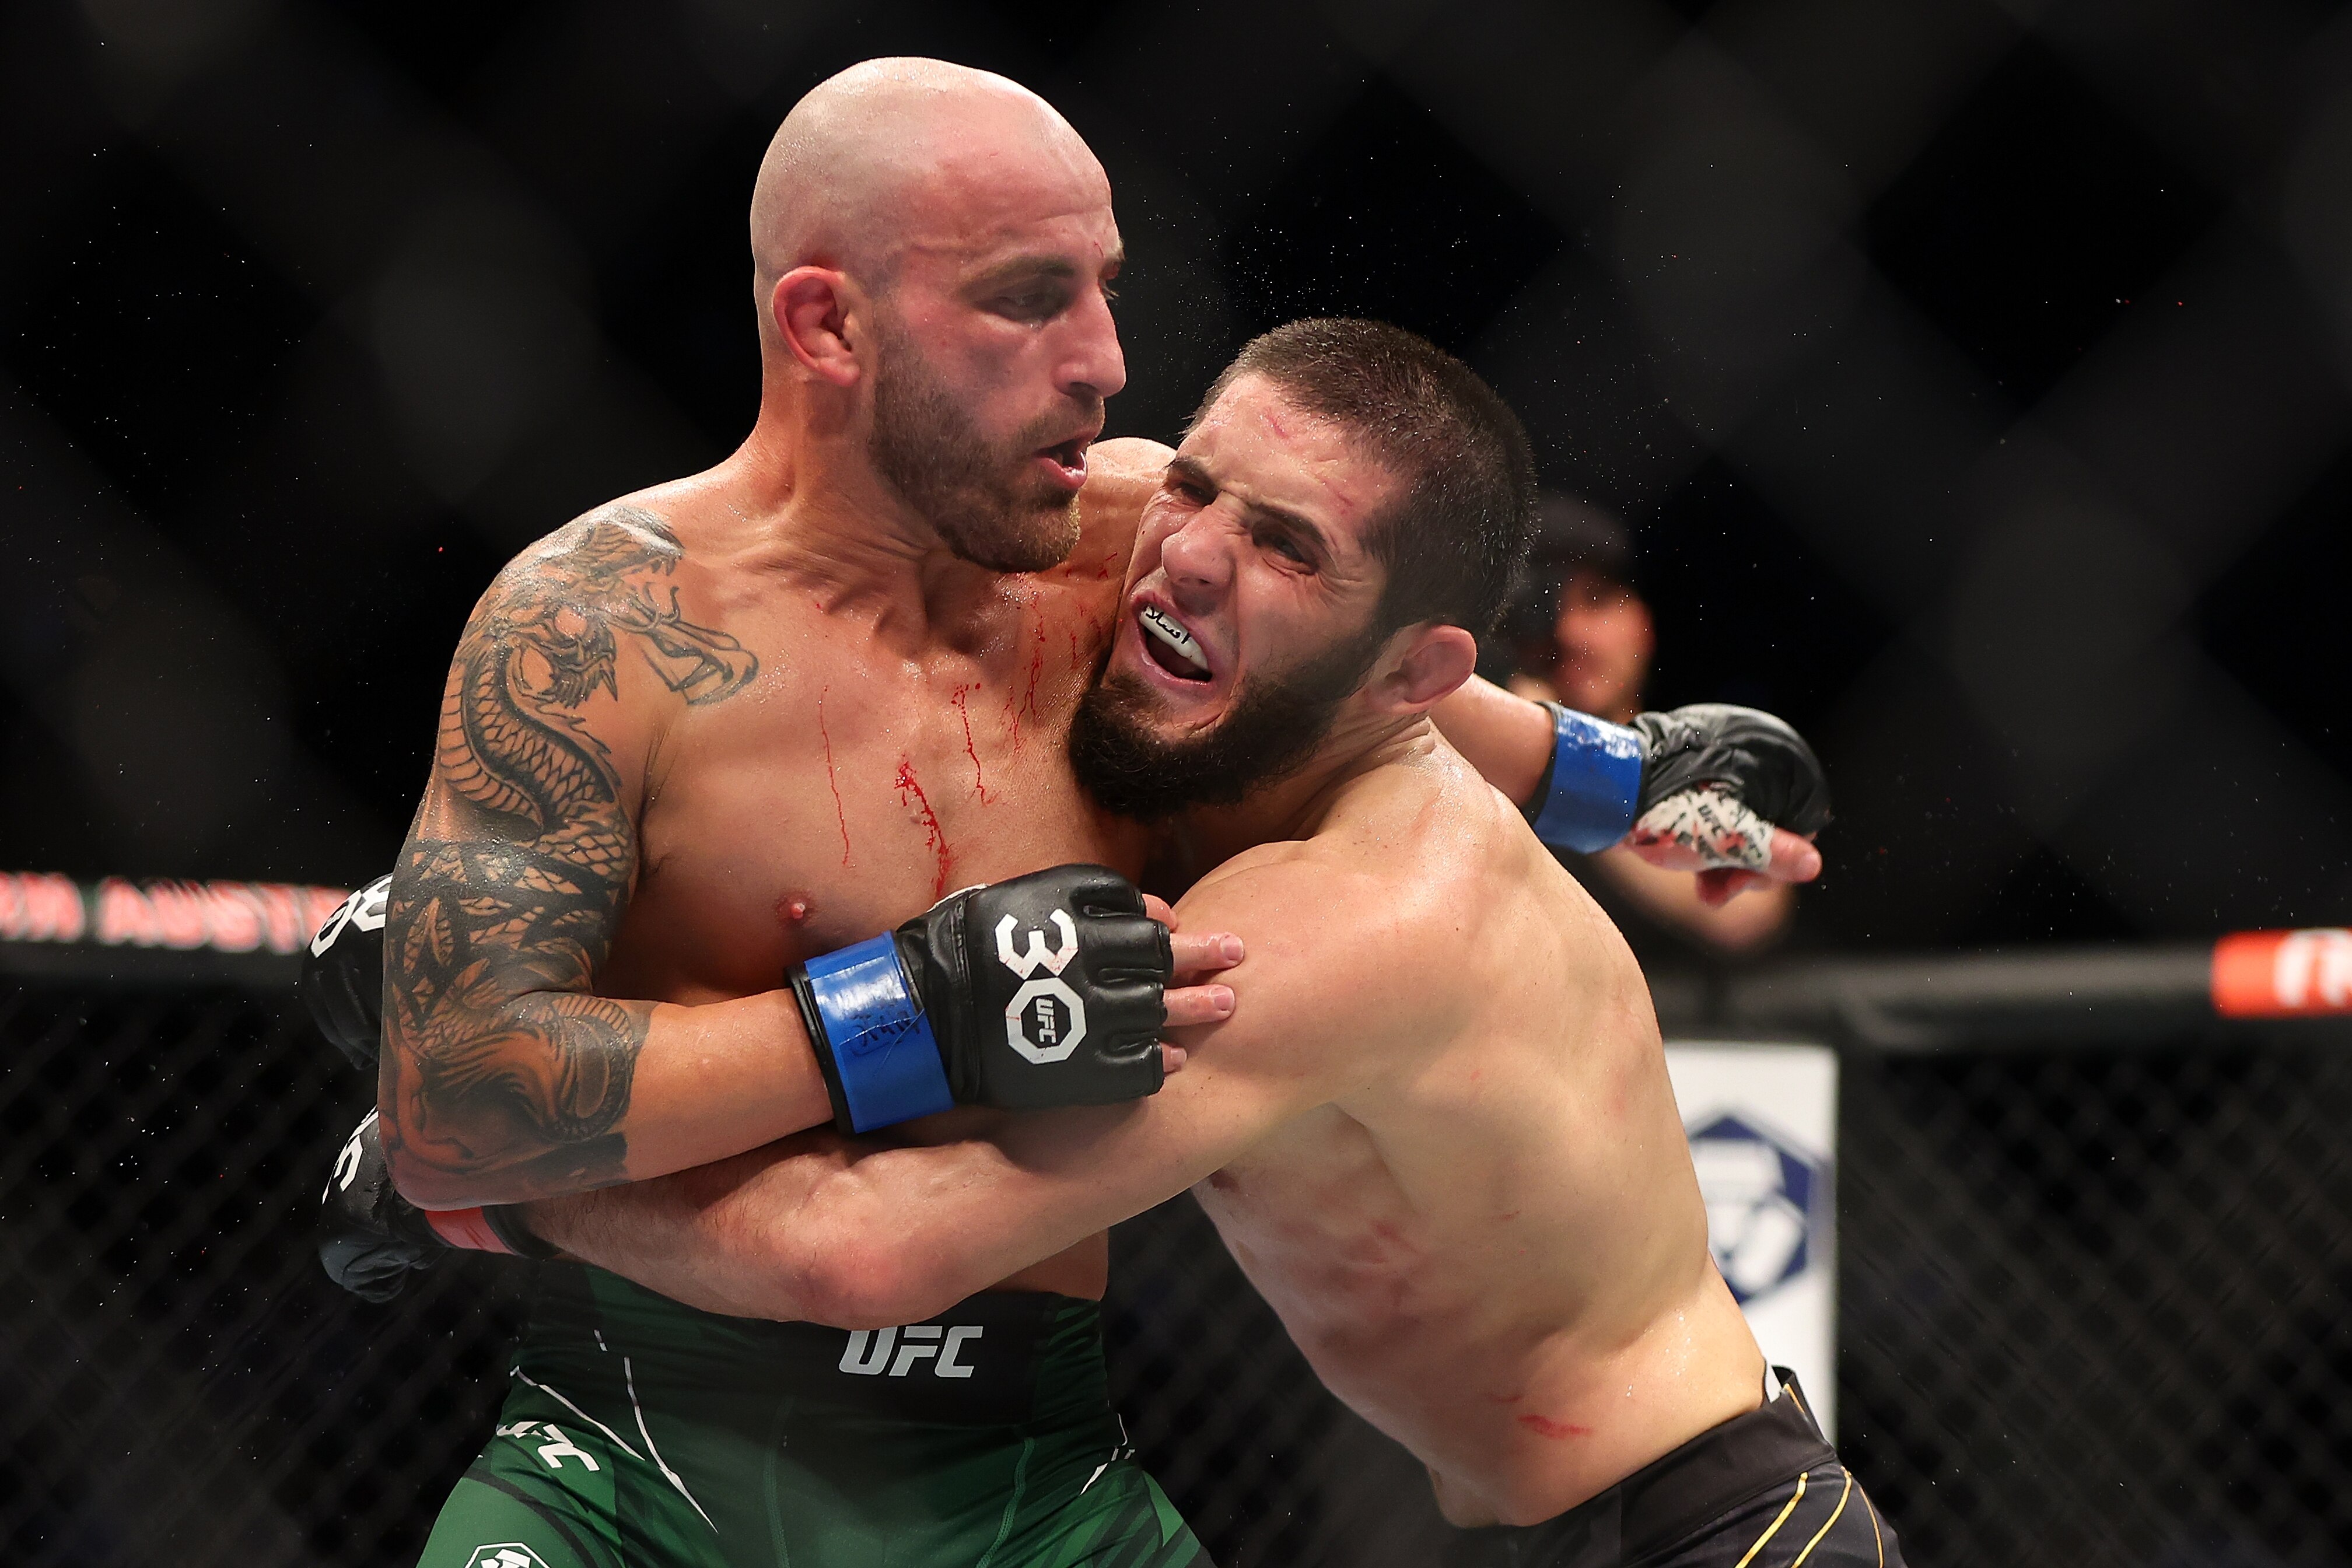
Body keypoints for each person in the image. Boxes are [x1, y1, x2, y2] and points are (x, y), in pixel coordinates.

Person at [314, 57, 1830, 1568]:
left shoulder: (1223, 702)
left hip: (1061, 1473)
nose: (1107, 357)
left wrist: (1619, 779)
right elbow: (457, 1105)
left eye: (1105, 287)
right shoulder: (598, 627)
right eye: (1031, 296)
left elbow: (1368, 666)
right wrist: (903, 1008)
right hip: (633, 1435)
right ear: (827, 323)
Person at [508, 320, 1891, 1567]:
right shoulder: (1174, 540)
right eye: (1195, 486)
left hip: (1718, 1533)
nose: (1188, 552)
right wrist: (1609, 776)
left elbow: (874, 1255)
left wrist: (519, 1176)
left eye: (1289, 544)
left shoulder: (1358, 920)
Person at [1496, 495, 1797, 958]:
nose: (1572, 634)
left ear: (1643, 623)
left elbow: (1748, 908)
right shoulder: (1474, 753)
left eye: (1596, 602)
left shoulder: (1699, 757)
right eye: (1546, 610)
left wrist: (1561, 755)